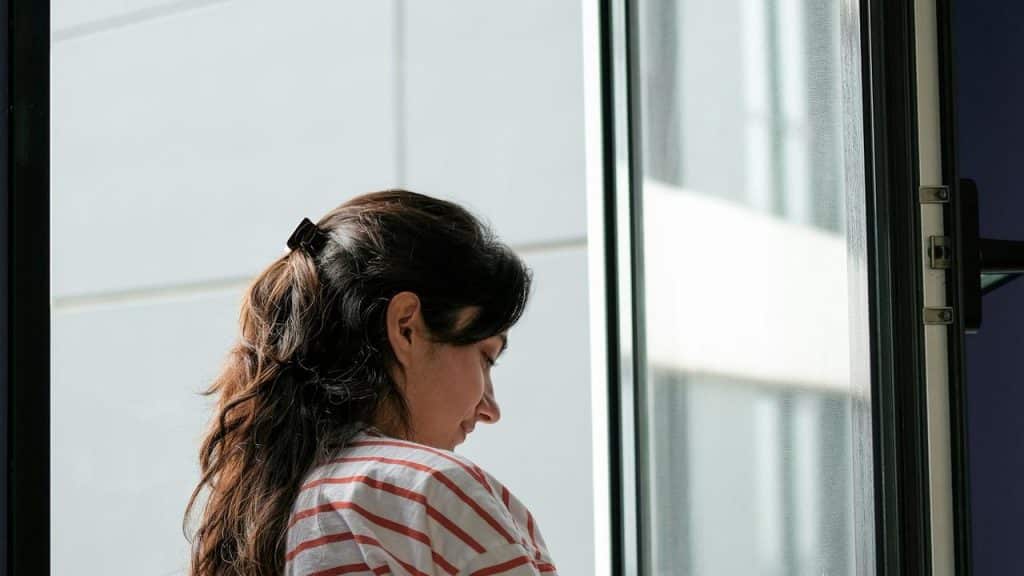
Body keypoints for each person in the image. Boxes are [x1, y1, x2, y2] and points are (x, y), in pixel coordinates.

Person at [184, 190, 559, 576]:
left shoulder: (272, 516)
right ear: (406, 327)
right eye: (485, 357)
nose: (490, 410)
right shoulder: (429, 489)